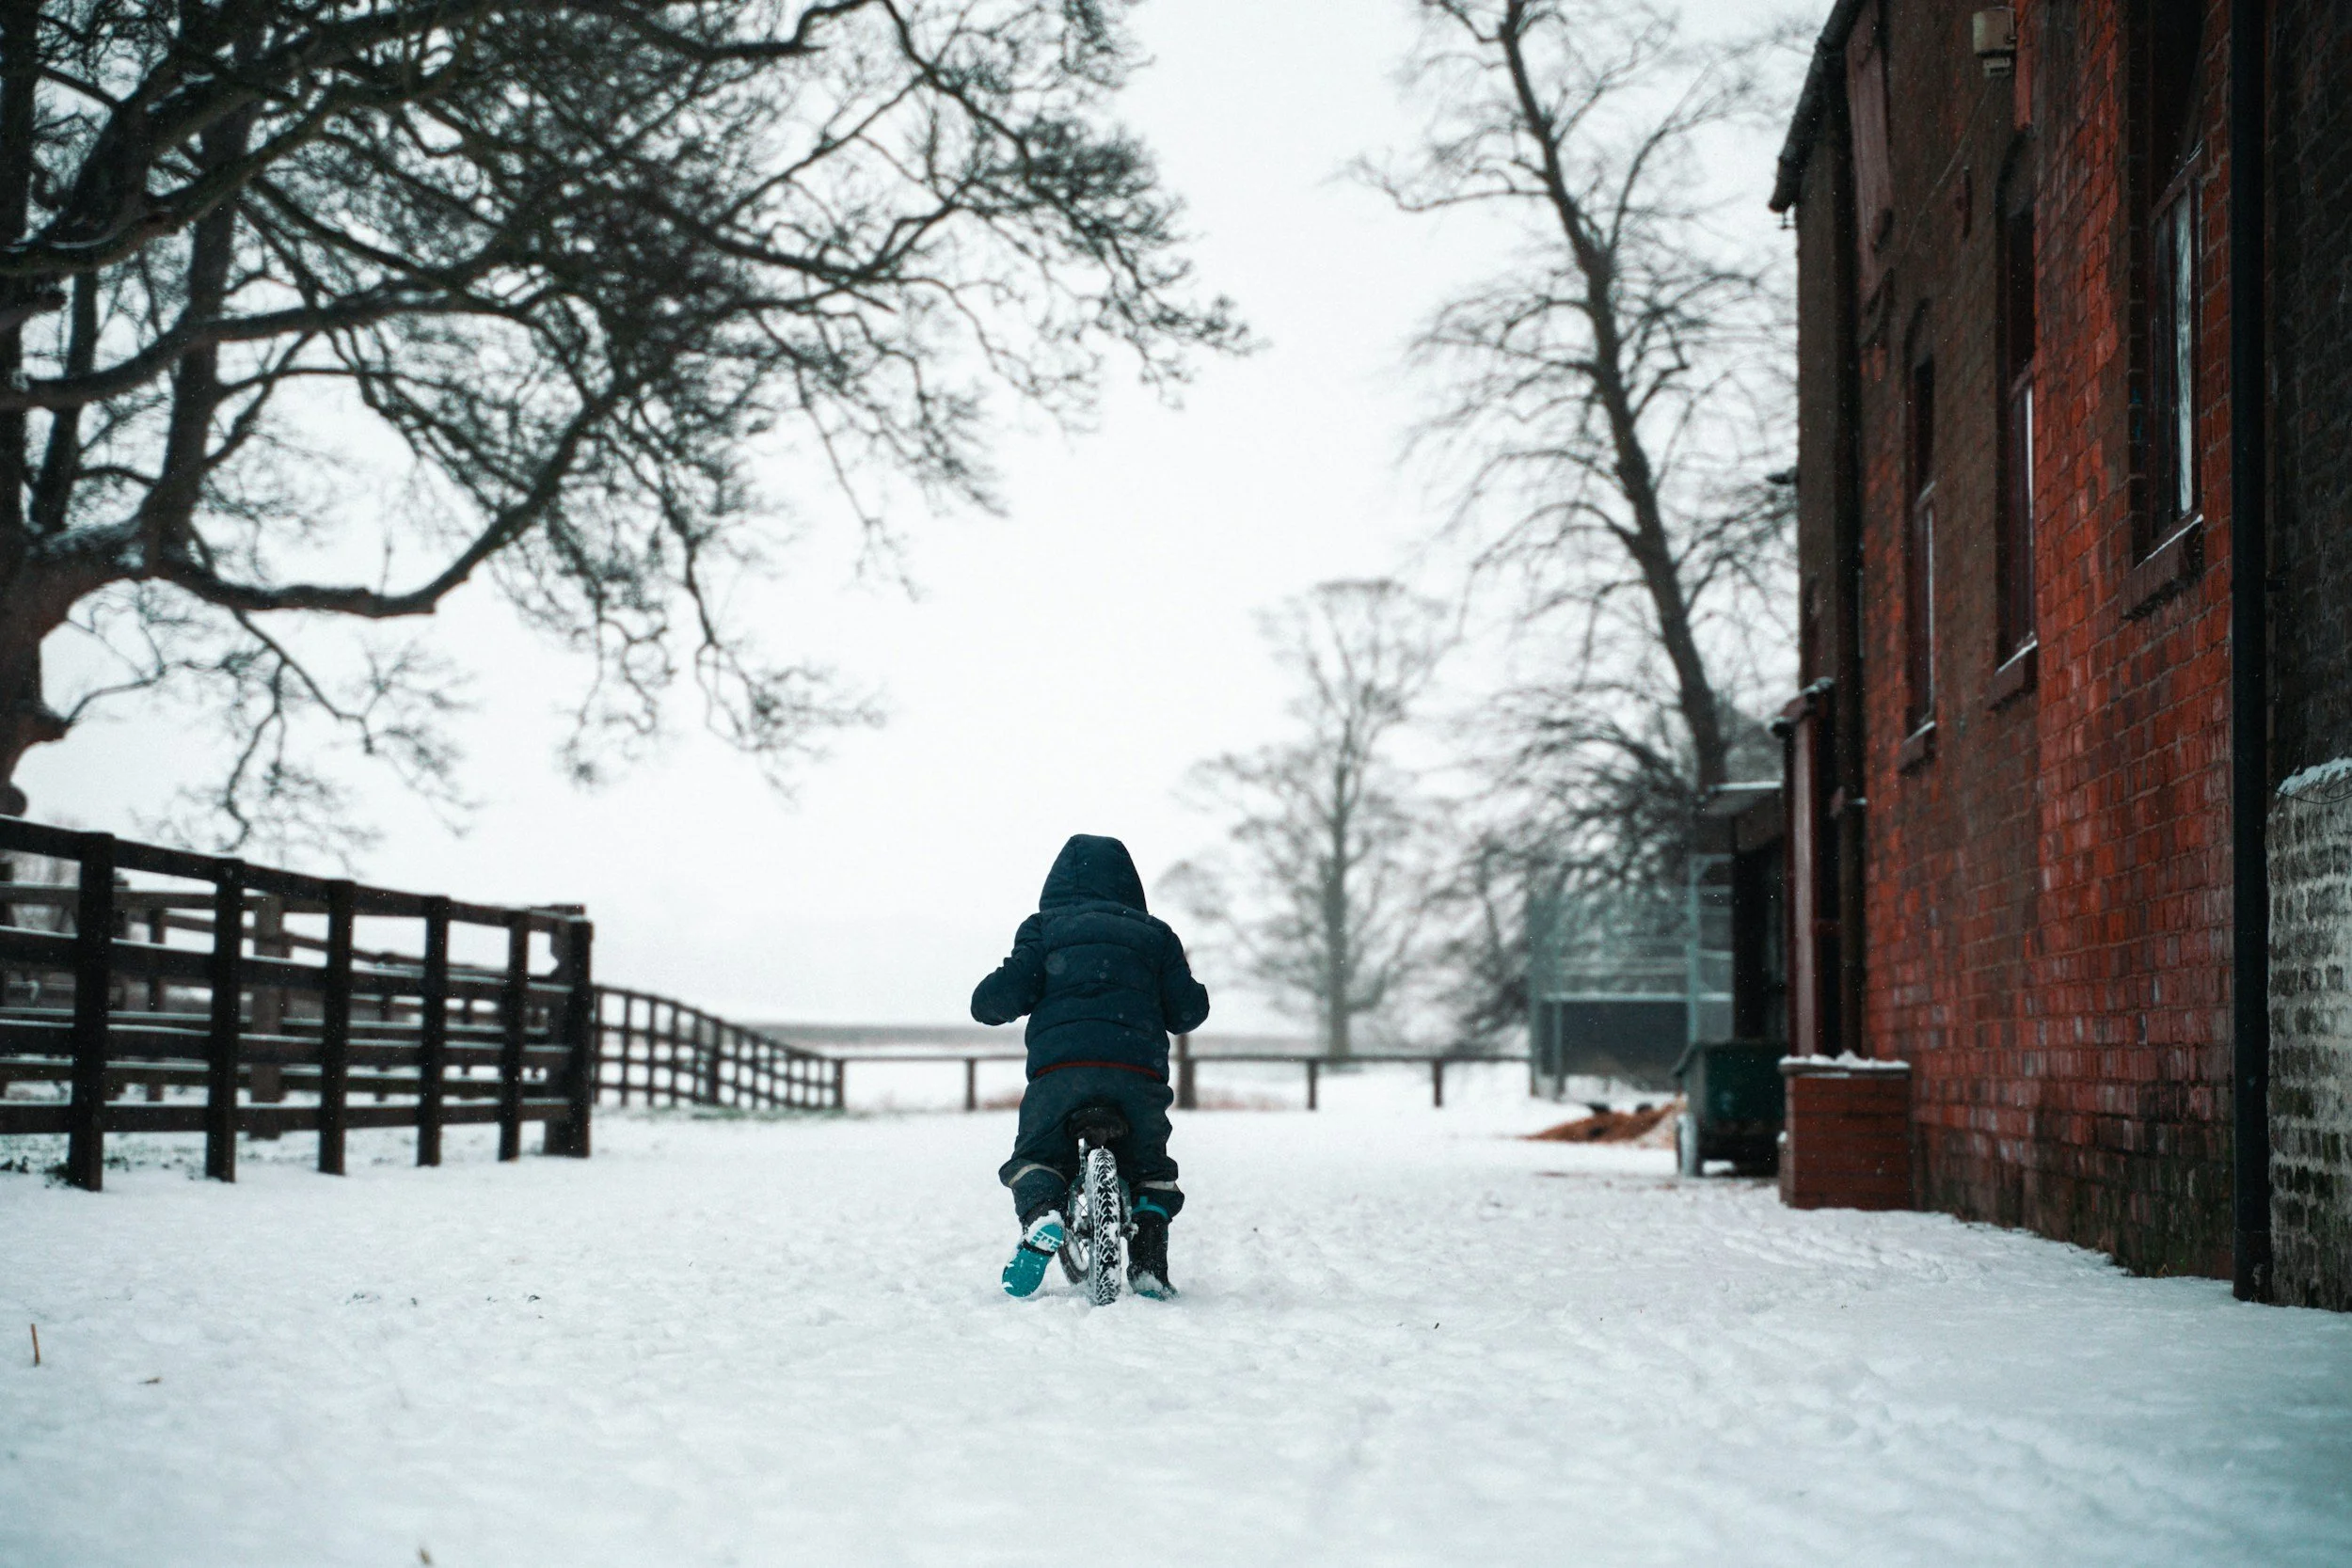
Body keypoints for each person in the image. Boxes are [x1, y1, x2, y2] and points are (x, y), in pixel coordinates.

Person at [972, 833, 1210, 1299]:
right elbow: (1189, 1013)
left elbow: (995, 1000)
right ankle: (1148, 1266)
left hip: (1061, 1072)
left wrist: (993, 998)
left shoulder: (1044, 928)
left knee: (1037, 1156)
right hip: (1137, 1073)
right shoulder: (1155, 935)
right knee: (1151, 1169)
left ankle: (1043, 1212)